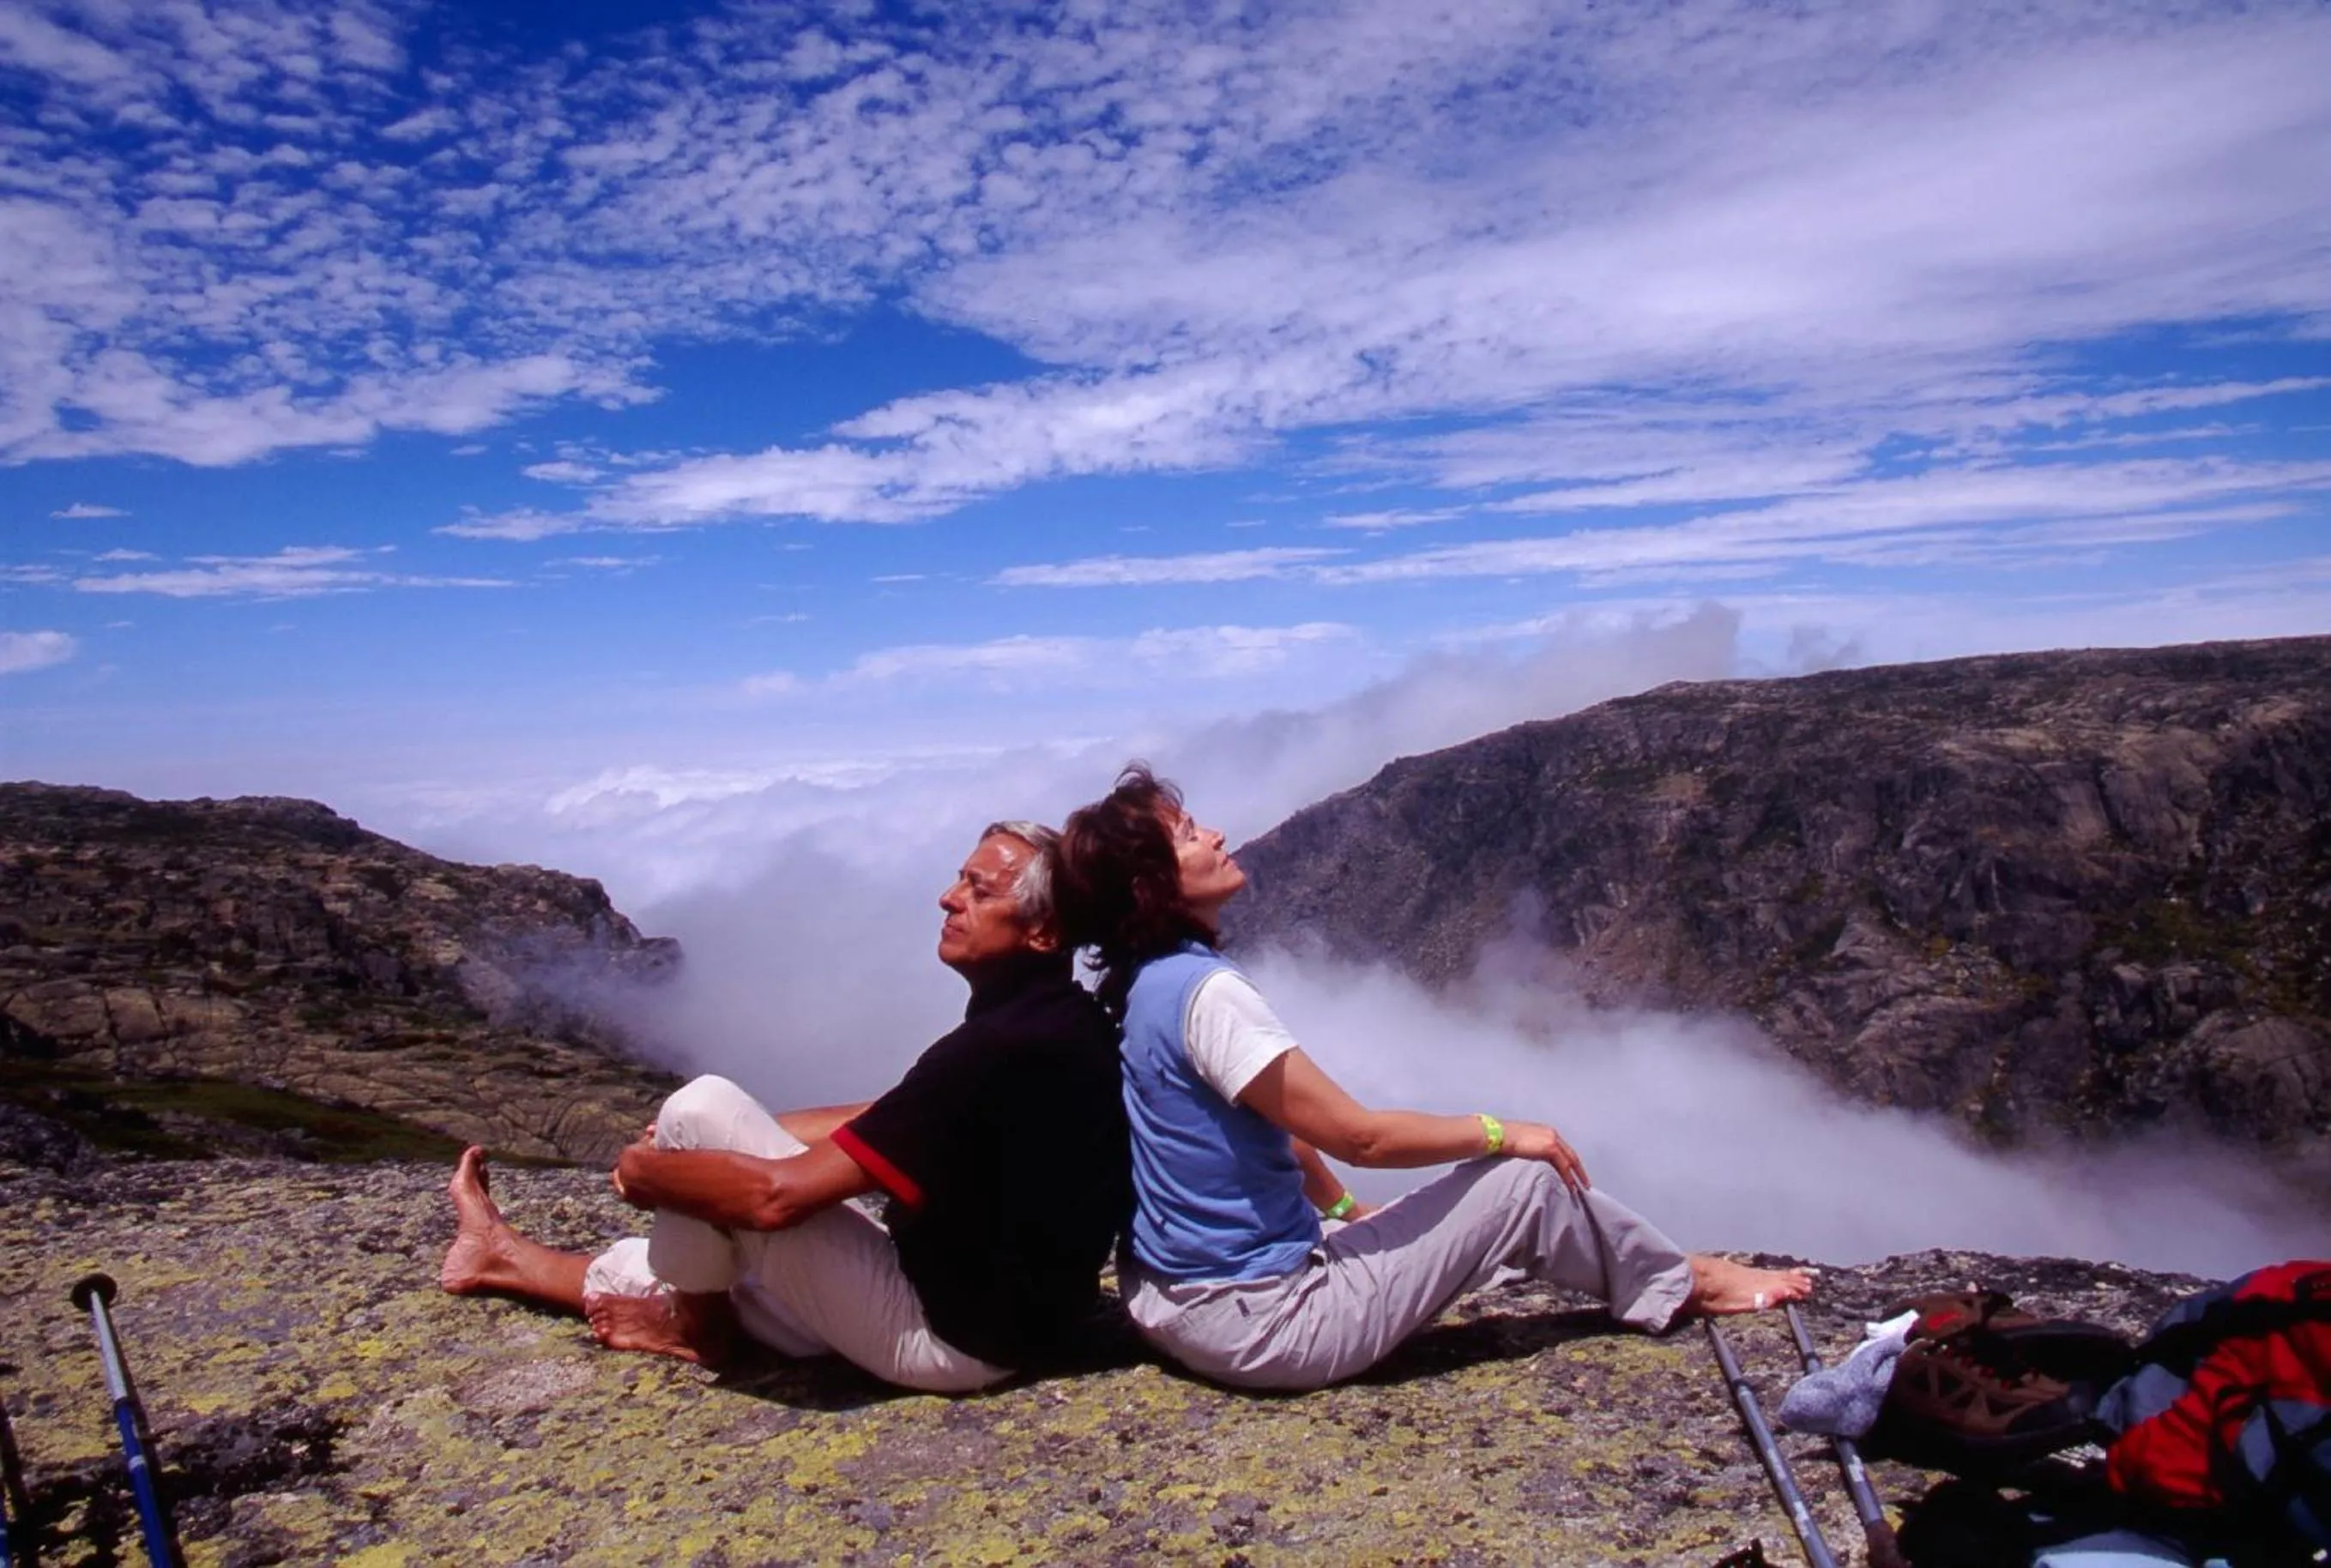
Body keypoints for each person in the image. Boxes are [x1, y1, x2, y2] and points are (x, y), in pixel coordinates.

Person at [1052, 763, 1813, 1391]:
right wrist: (1501, 1132)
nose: (1214, 833)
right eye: (1187, 835)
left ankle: (1668, 1270)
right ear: (1152, 886)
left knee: (1425, 1208)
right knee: (1524, 1183)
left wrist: (1348, 1212)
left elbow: (1271, 1135)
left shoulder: (1140, 987)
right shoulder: (1208, 995)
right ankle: (1689, 1286)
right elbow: (1358, 1136)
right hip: (1265, 1326)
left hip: (1170, 1300)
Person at [438, 822, 1129, 1394]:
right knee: (687, 1259)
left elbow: (775, 1201)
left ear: (1042, 934)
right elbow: (899, 1112)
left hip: (946, 1337)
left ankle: (694, 1332)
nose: (948, 898)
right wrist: (731, 1146)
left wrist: (651, 1171)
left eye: (979, 891)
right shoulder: (1054, 1023)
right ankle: (498, 1256)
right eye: (959, 878)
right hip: (996, 1317)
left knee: (700, 1109)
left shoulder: (1000, 1046)